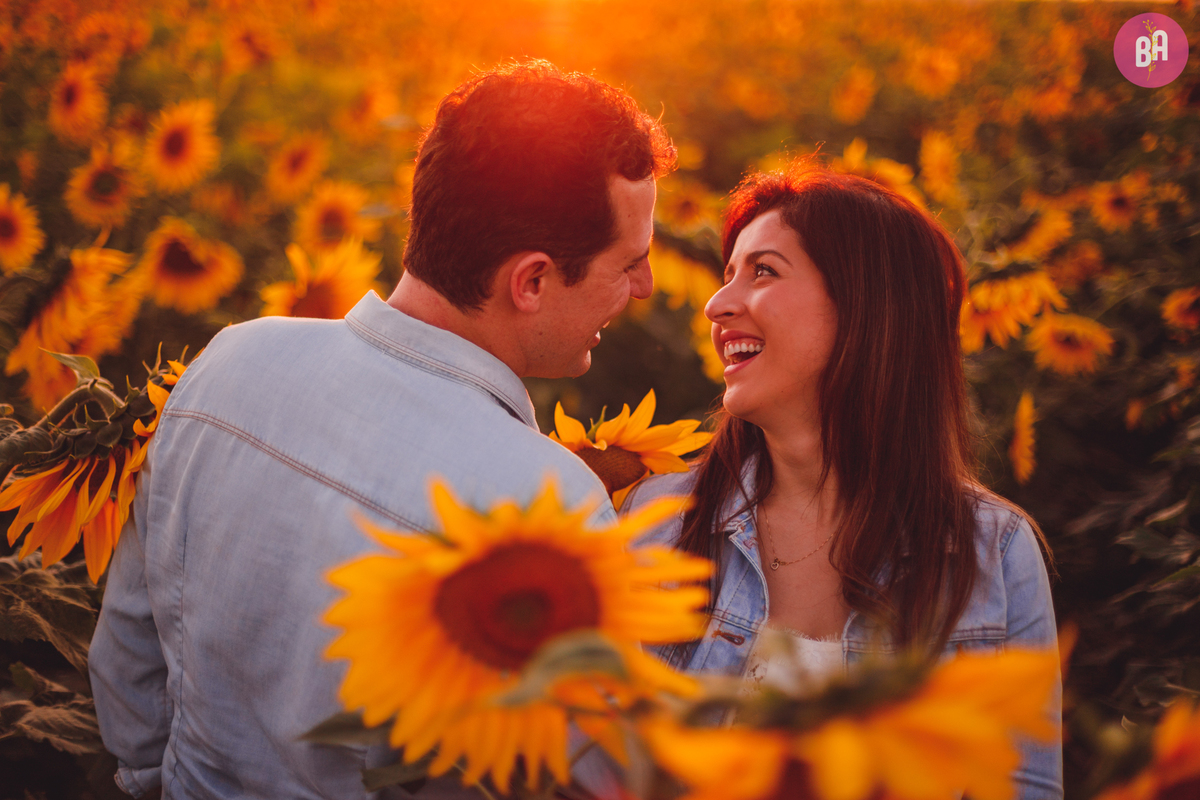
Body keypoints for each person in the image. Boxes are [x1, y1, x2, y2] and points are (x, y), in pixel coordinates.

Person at [88, 60, 675, 799]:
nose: (646, 286)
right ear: (531, 281)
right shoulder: (545, 504)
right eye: (631, 262)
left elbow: (128, 668)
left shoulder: (232, 360)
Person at [622, 161, 1062, 797]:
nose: (718, 306)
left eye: (763, 271)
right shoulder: (654, 522)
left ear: (866, 304)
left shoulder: (992, 553)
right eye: (727, 275)